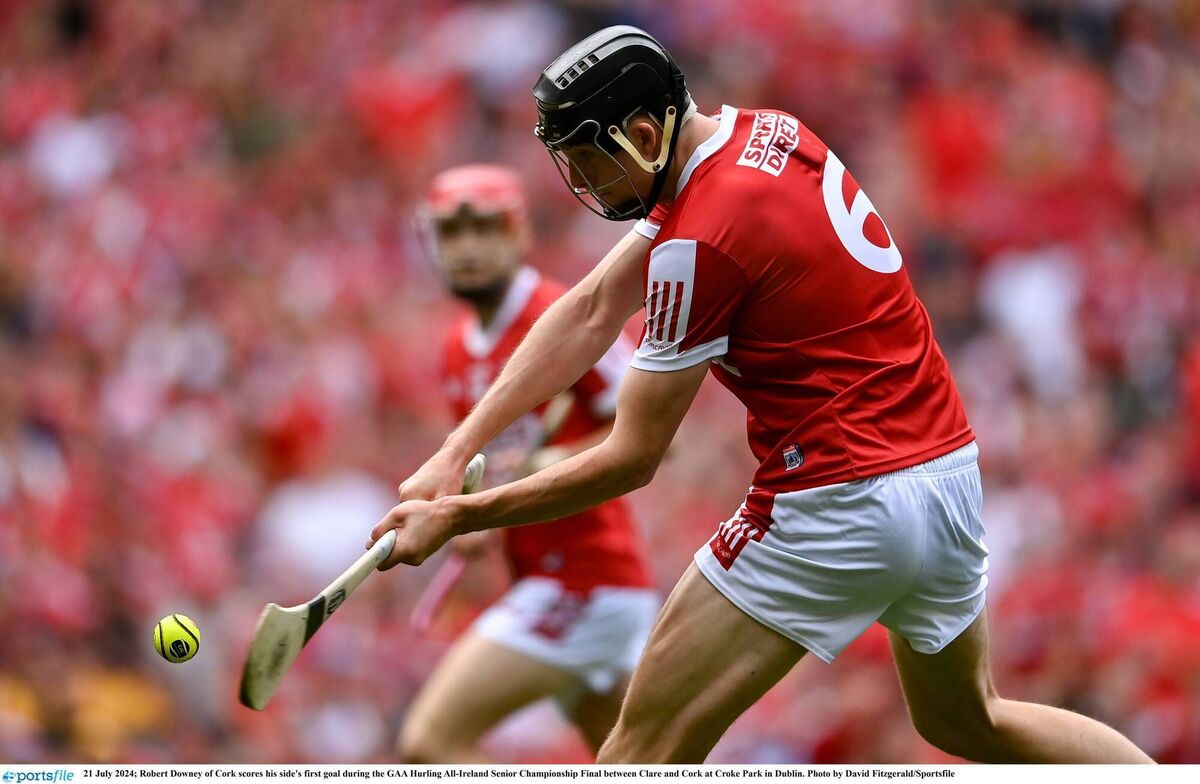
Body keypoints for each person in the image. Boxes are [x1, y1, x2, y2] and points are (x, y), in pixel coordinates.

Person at [370, 27, 1154, 764]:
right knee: (967, 718)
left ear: (642, 135)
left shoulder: (698, 245)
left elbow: (632, 459)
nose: (578, 183)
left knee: (636, 756)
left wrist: (463, 515)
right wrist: (454, 453)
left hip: (837, 502)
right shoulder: (767, 131)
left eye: (587, 160)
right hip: (946, 477)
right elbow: (591, 308)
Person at [395, 164, 659, 763]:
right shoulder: (457, 345)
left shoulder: (563, 316)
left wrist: (544, 459)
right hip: (546, 577)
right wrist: (474, 521)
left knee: (428, 743)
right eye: (451, 232)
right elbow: (487, 470)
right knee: (628, 765)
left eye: (485, 228)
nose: (467, 248)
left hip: (586, 579)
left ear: (519, 232)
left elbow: (652, 438)